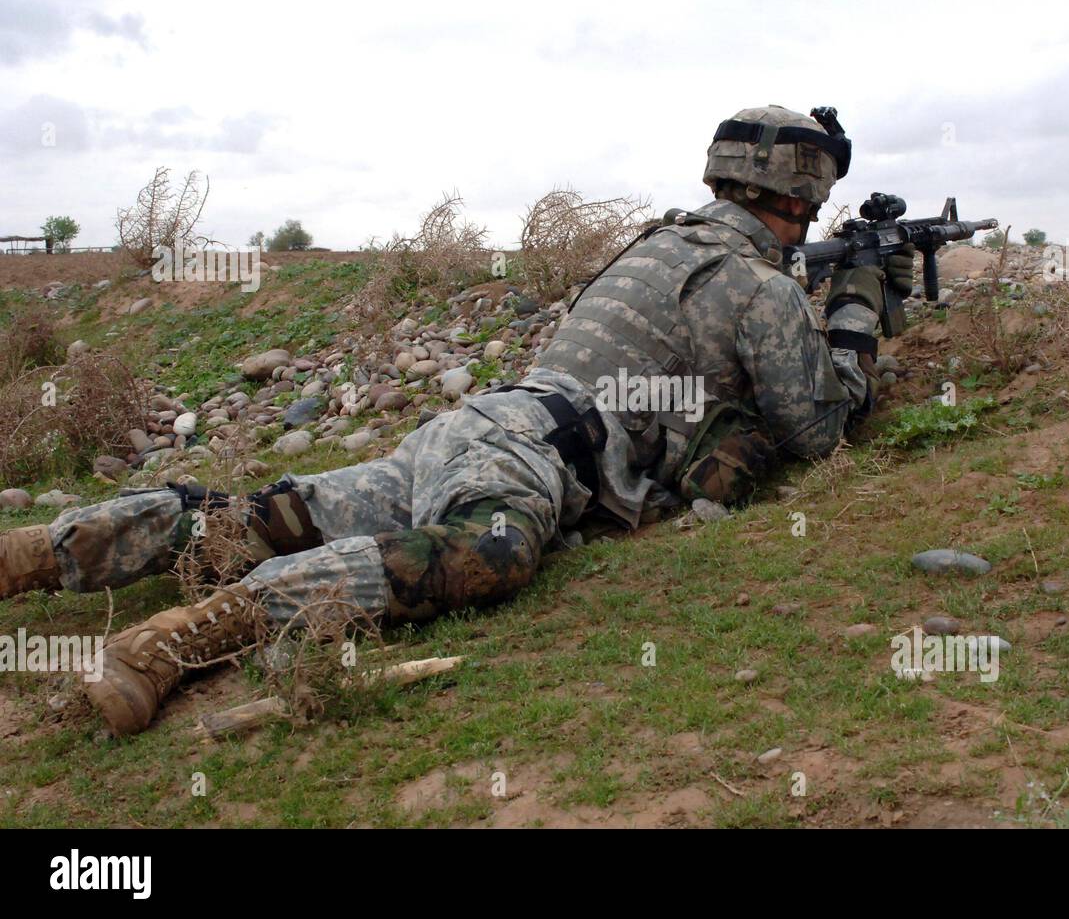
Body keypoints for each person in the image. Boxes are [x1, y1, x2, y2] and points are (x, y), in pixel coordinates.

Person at [0, 105, 913, 735]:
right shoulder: (758, 285)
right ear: (797, 198)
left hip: (474, 424)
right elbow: (820, 429)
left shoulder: (657, 242)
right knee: (494, 549)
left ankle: (46, 550)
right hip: (530, 454)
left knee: (275, 512)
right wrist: (859, 306)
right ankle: (186, 637)